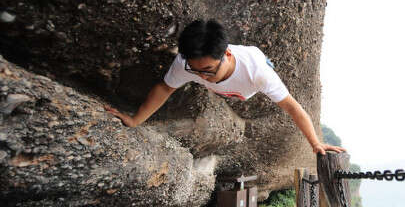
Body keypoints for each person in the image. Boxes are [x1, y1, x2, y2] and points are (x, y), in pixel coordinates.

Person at [104, 19, 345, 155]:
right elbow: (165, 88)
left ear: (226, 55)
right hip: (232, 82)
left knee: (260, 73)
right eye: (195, 70)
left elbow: (293, 108)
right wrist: (136, 120)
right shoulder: (185, 64)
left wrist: (315, 143)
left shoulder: (257, 74)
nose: (202, 76)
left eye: (208, 70)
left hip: (252, 70)